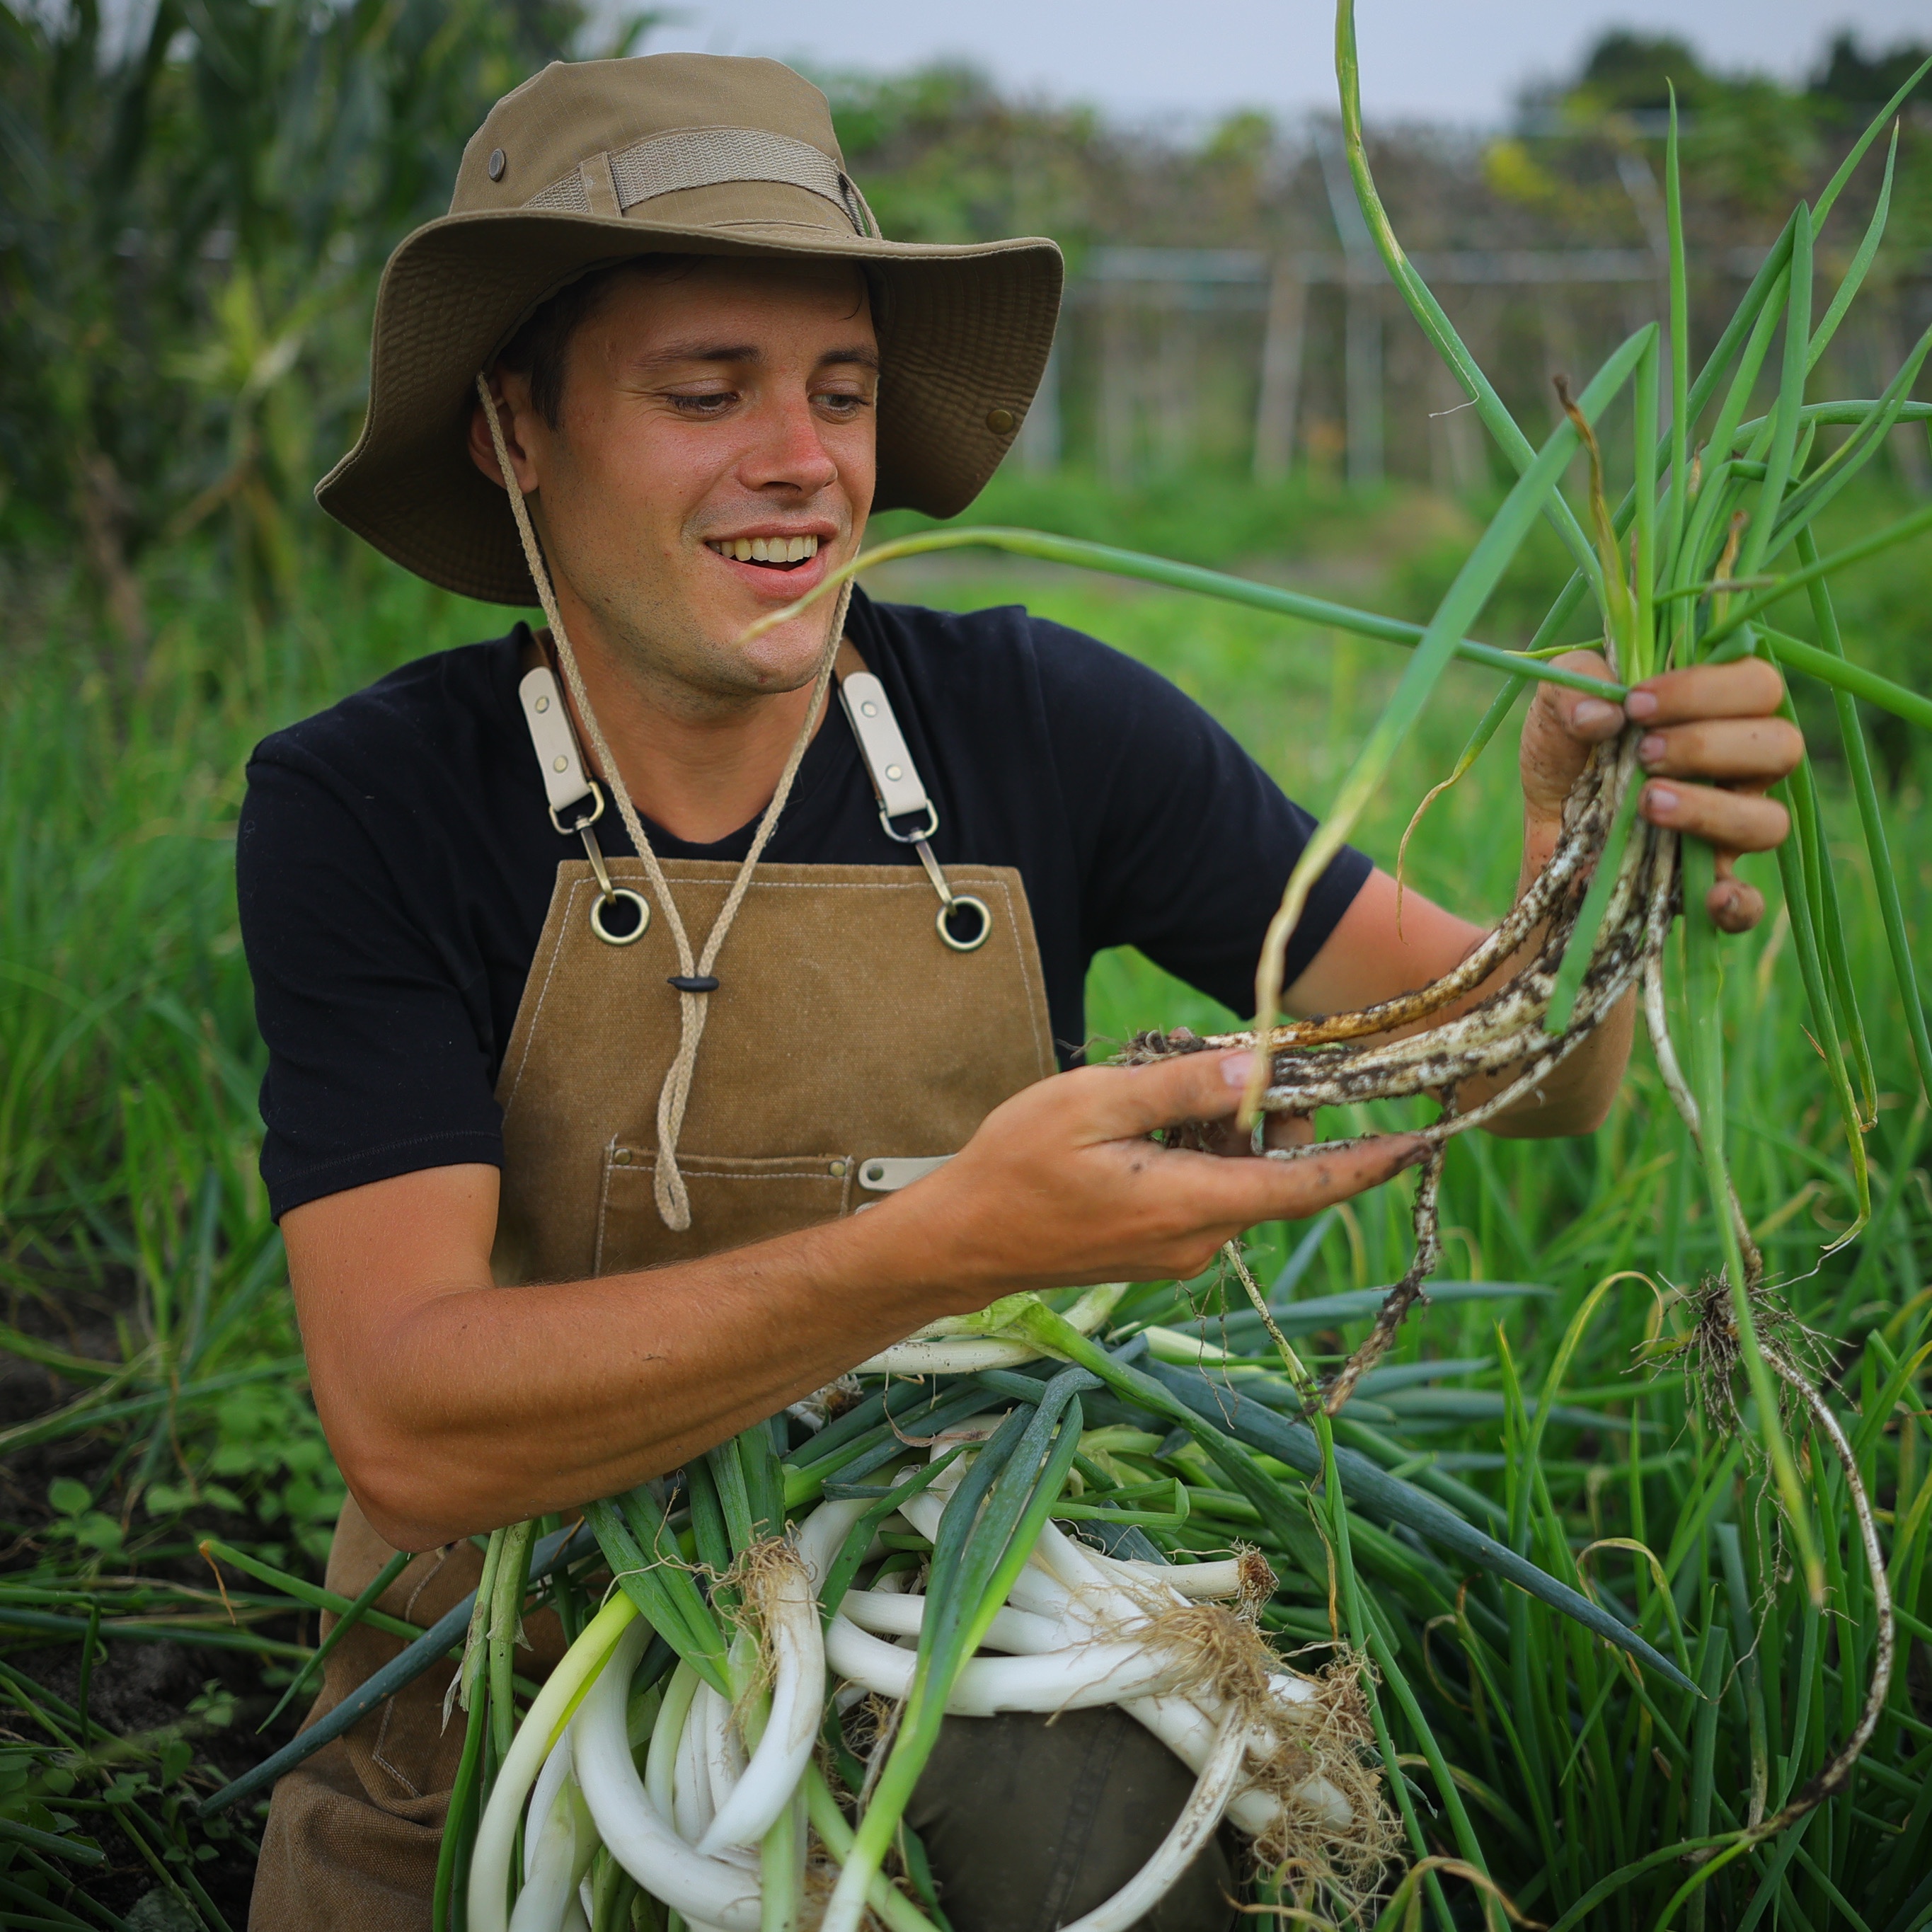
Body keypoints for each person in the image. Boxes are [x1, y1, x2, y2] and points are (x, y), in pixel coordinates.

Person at [236, 50, 1802, 1932]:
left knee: (1106, 1849)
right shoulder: (375, 803)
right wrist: (947, 1243)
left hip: (948, 1613)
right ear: (512, 426)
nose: (800, 463)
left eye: (838, 392)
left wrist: (1586, 848)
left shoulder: (1037, 725)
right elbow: (412, 1417)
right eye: (700, 390)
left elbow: (1521, 1069)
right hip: (498, 1692)